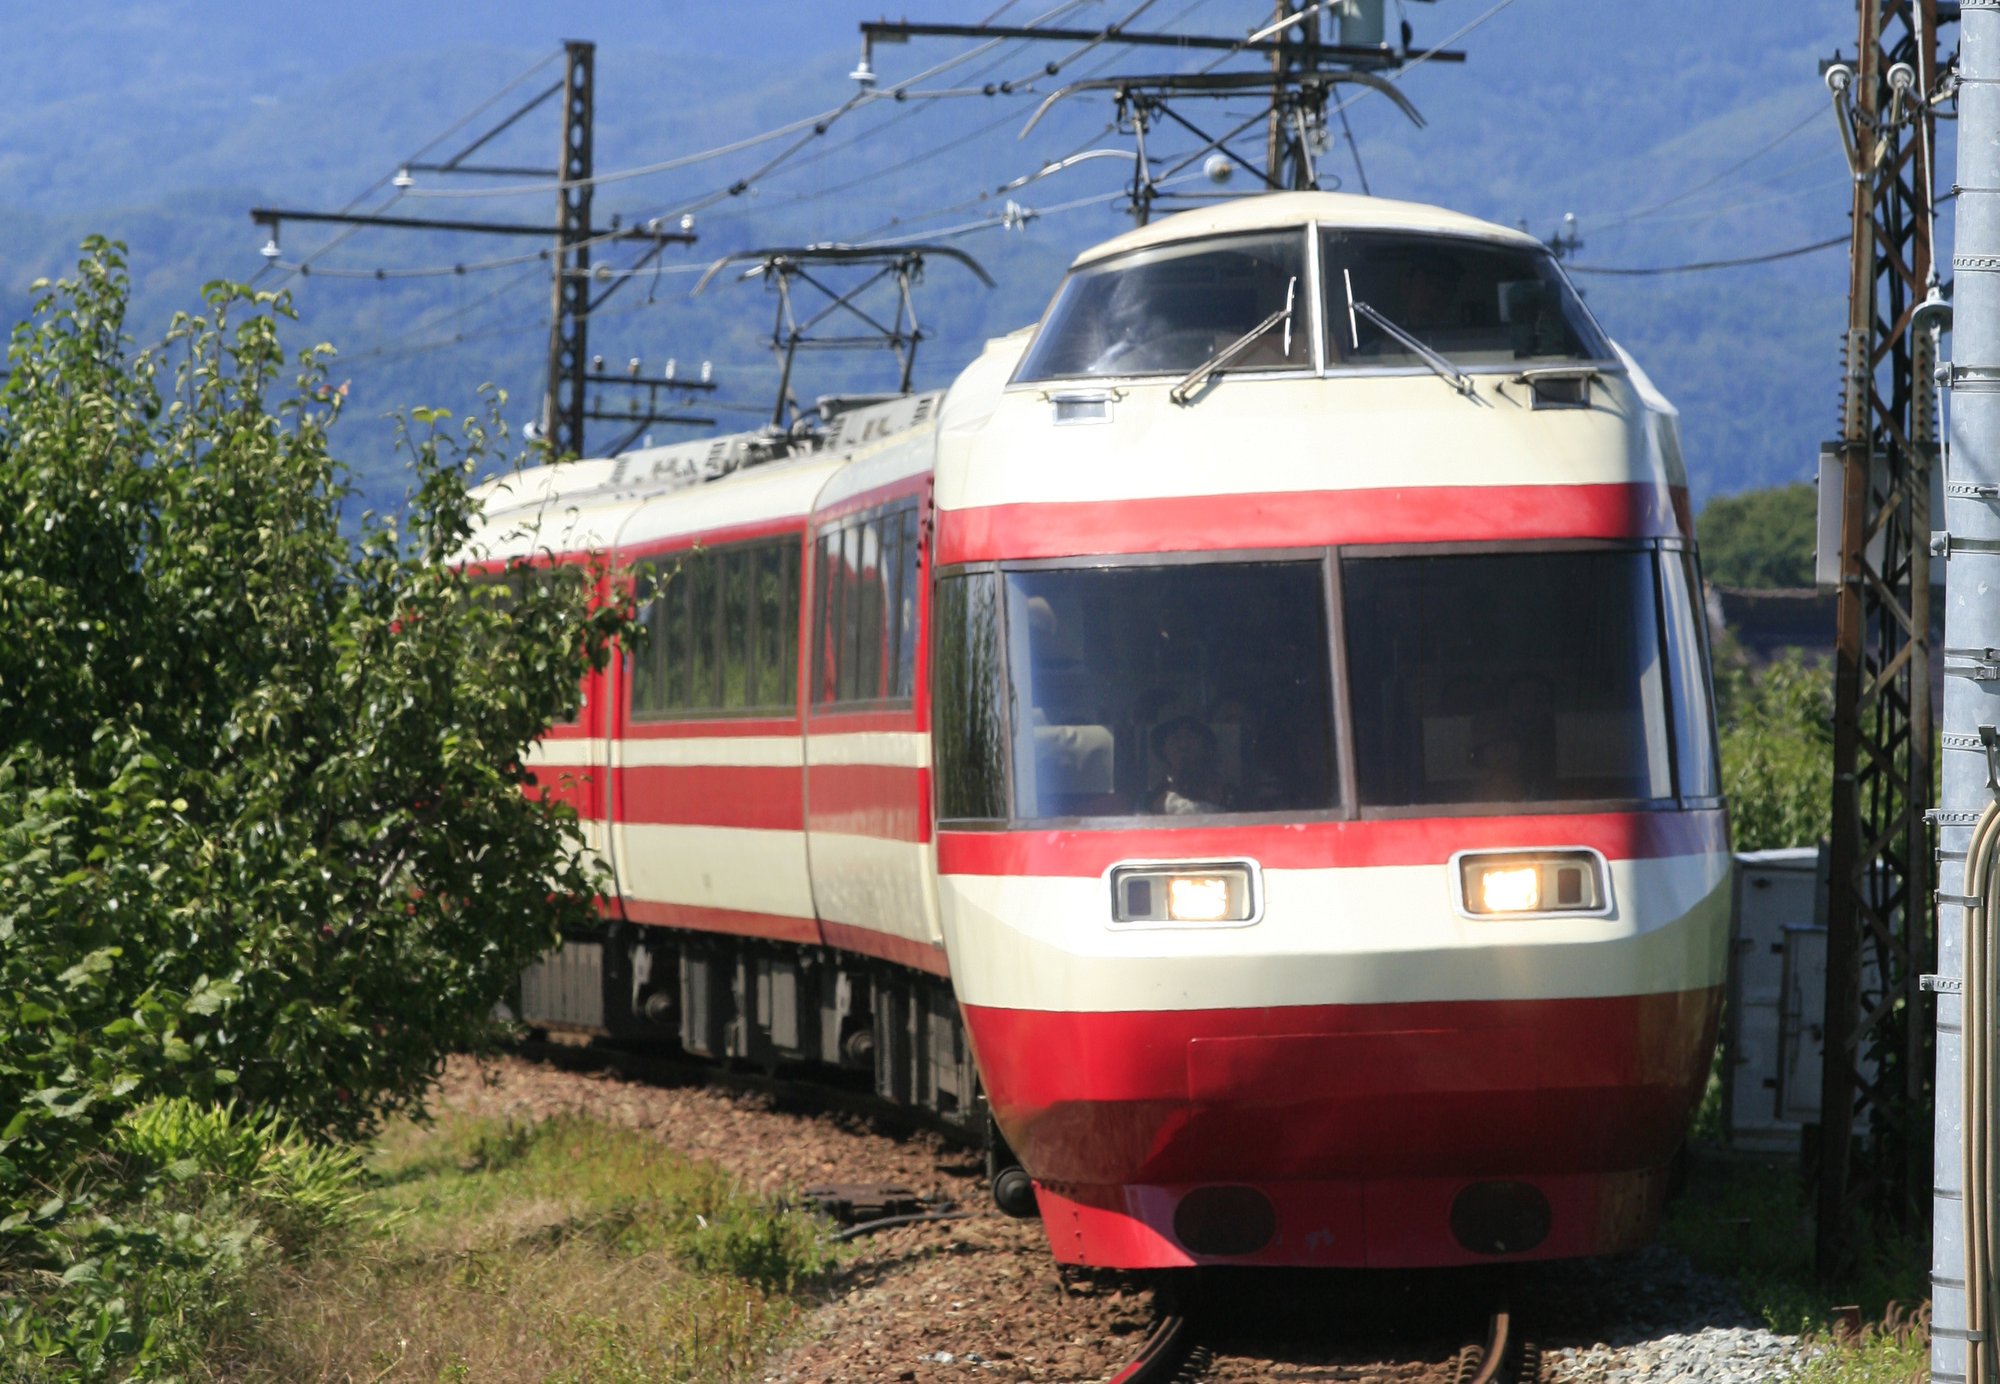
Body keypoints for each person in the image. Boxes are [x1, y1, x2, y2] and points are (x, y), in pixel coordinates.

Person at [1148, 715, 1228, 815]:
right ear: (1164, 749)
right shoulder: (1152, 798)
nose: (1183, 745)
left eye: (1190, 737)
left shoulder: (1226, 793)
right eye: (1176, 738)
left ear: (1204, 746)